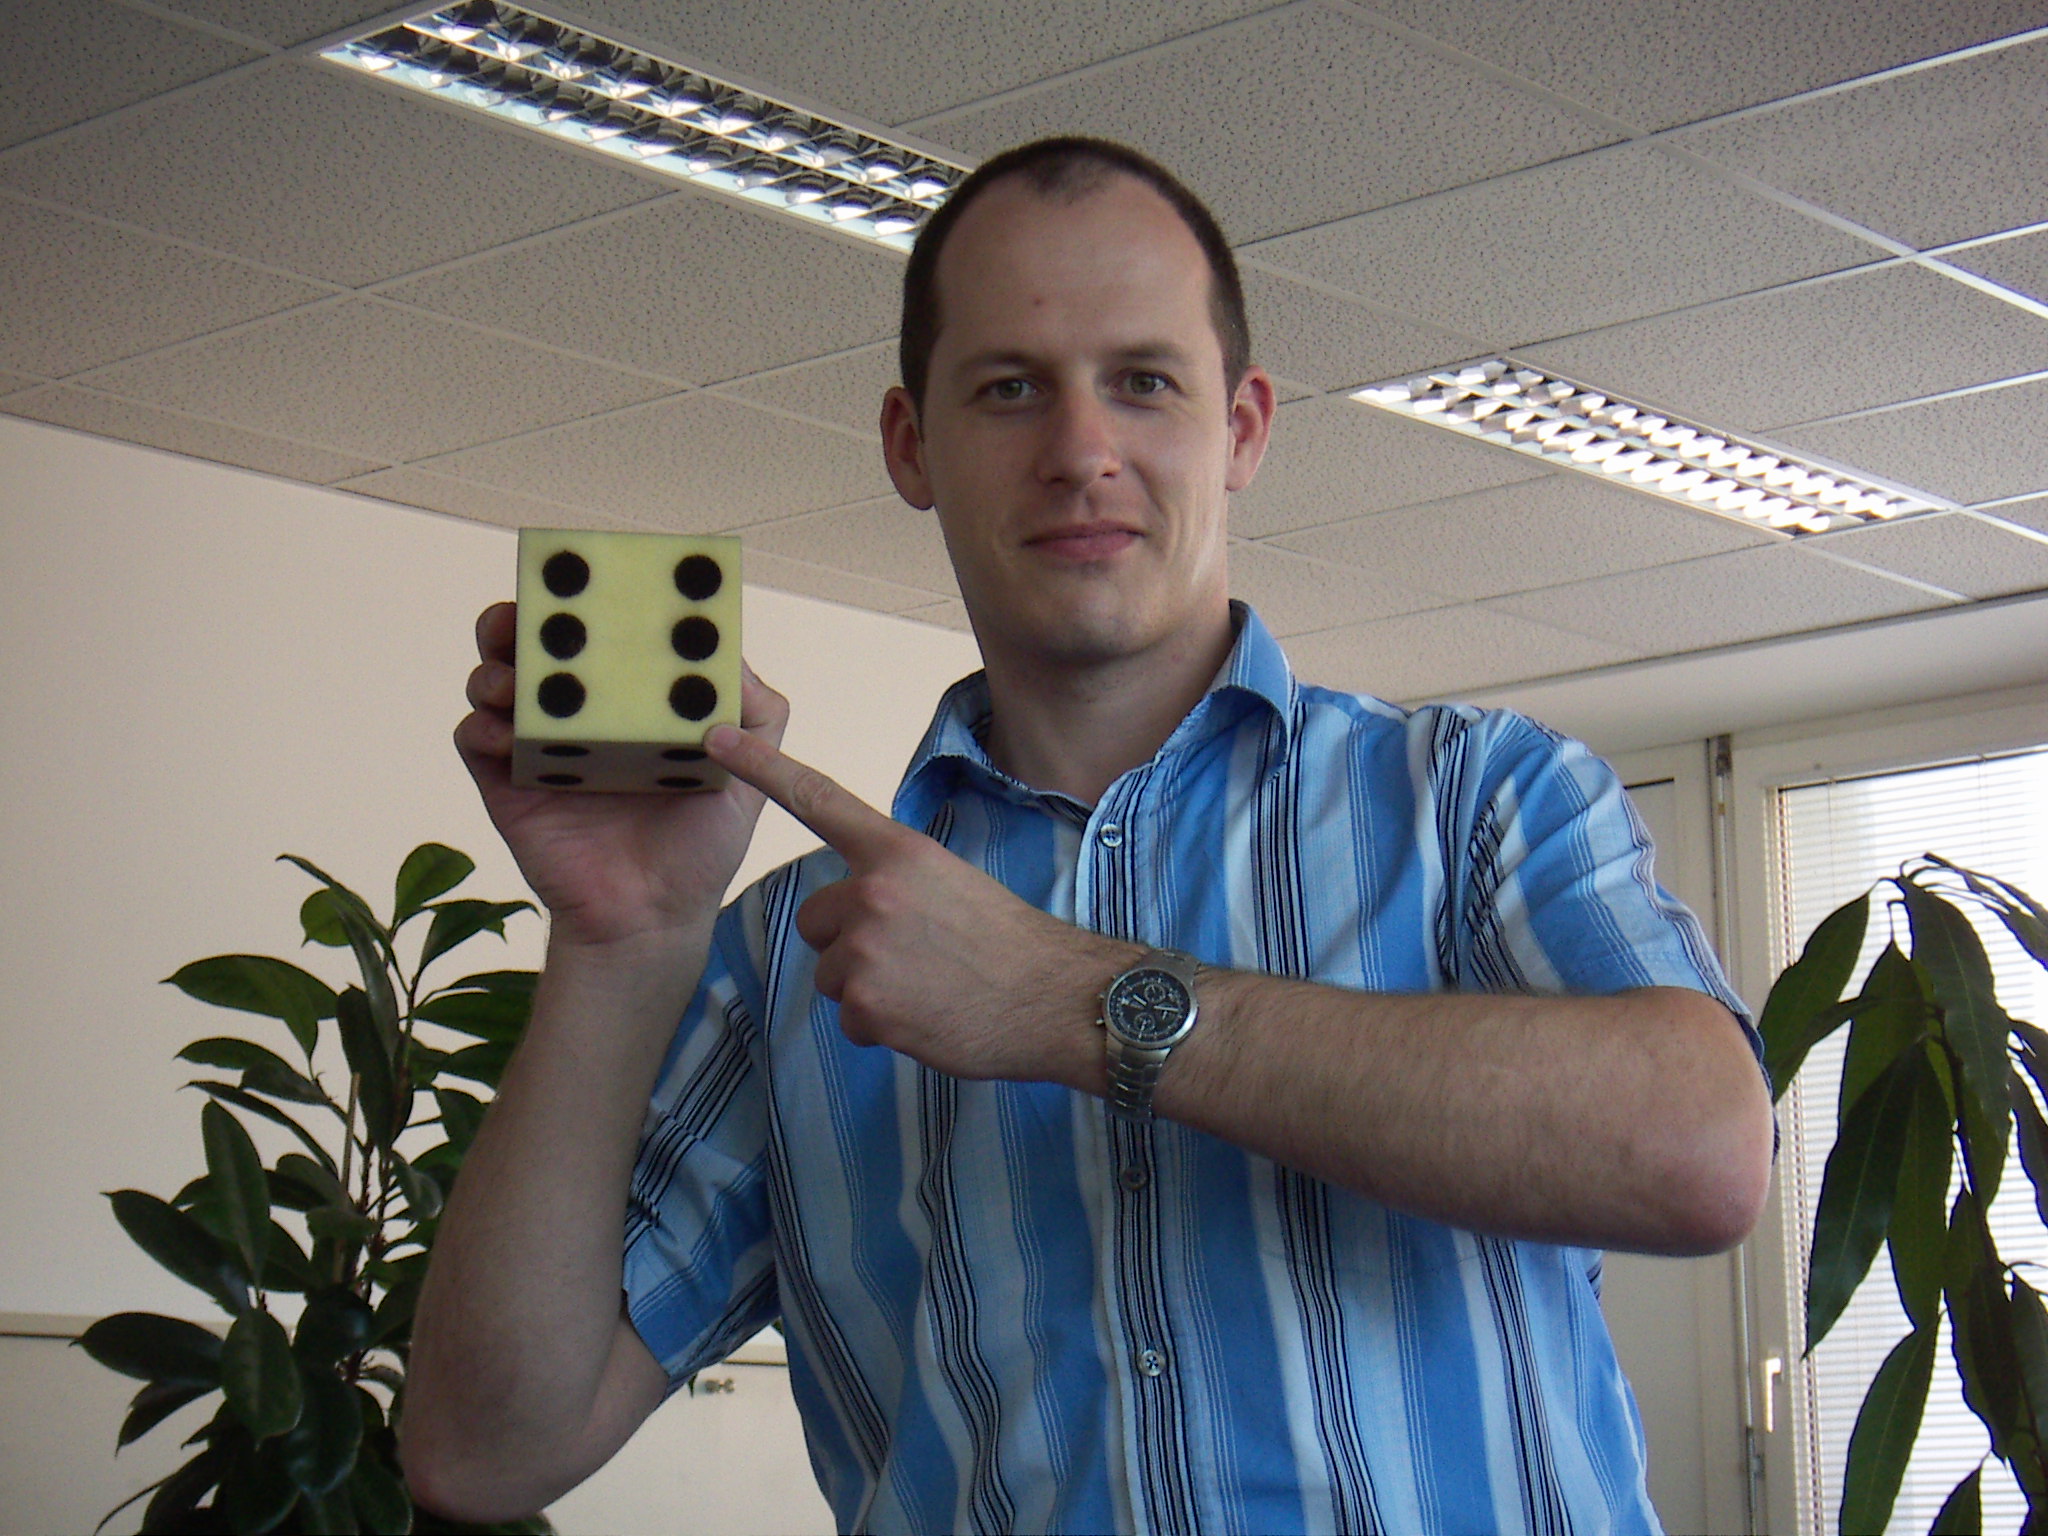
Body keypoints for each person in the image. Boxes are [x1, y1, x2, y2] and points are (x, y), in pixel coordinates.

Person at [403, 136, 1775, 1533]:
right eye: (1010, 389)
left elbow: (1702, 1152)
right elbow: (481, 1454)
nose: (1080, 454)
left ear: (1242, 428)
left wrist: (1071, 1001)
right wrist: (624, 941)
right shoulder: (799, 953)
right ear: (911, 445)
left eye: (1144, 383)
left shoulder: (1480, 799)